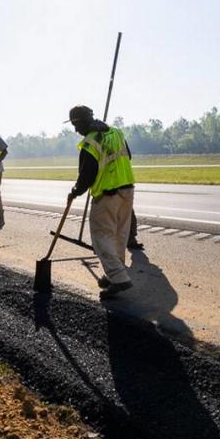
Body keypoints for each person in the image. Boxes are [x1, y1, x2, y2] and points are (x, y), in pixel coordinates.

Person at [66, 105, 135, 299]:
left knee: (101, 237)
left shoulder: (90, 143)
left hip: (107, 195)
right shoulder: (117, 133)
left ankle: (119, 279)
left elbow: (86, 175)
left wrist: (75, 192)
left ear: (80, 122)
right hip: (127, 189)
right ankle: (114, 273)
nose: (75, 130)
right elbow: (128, 156)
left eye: (75, 125)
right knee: (119, 235)